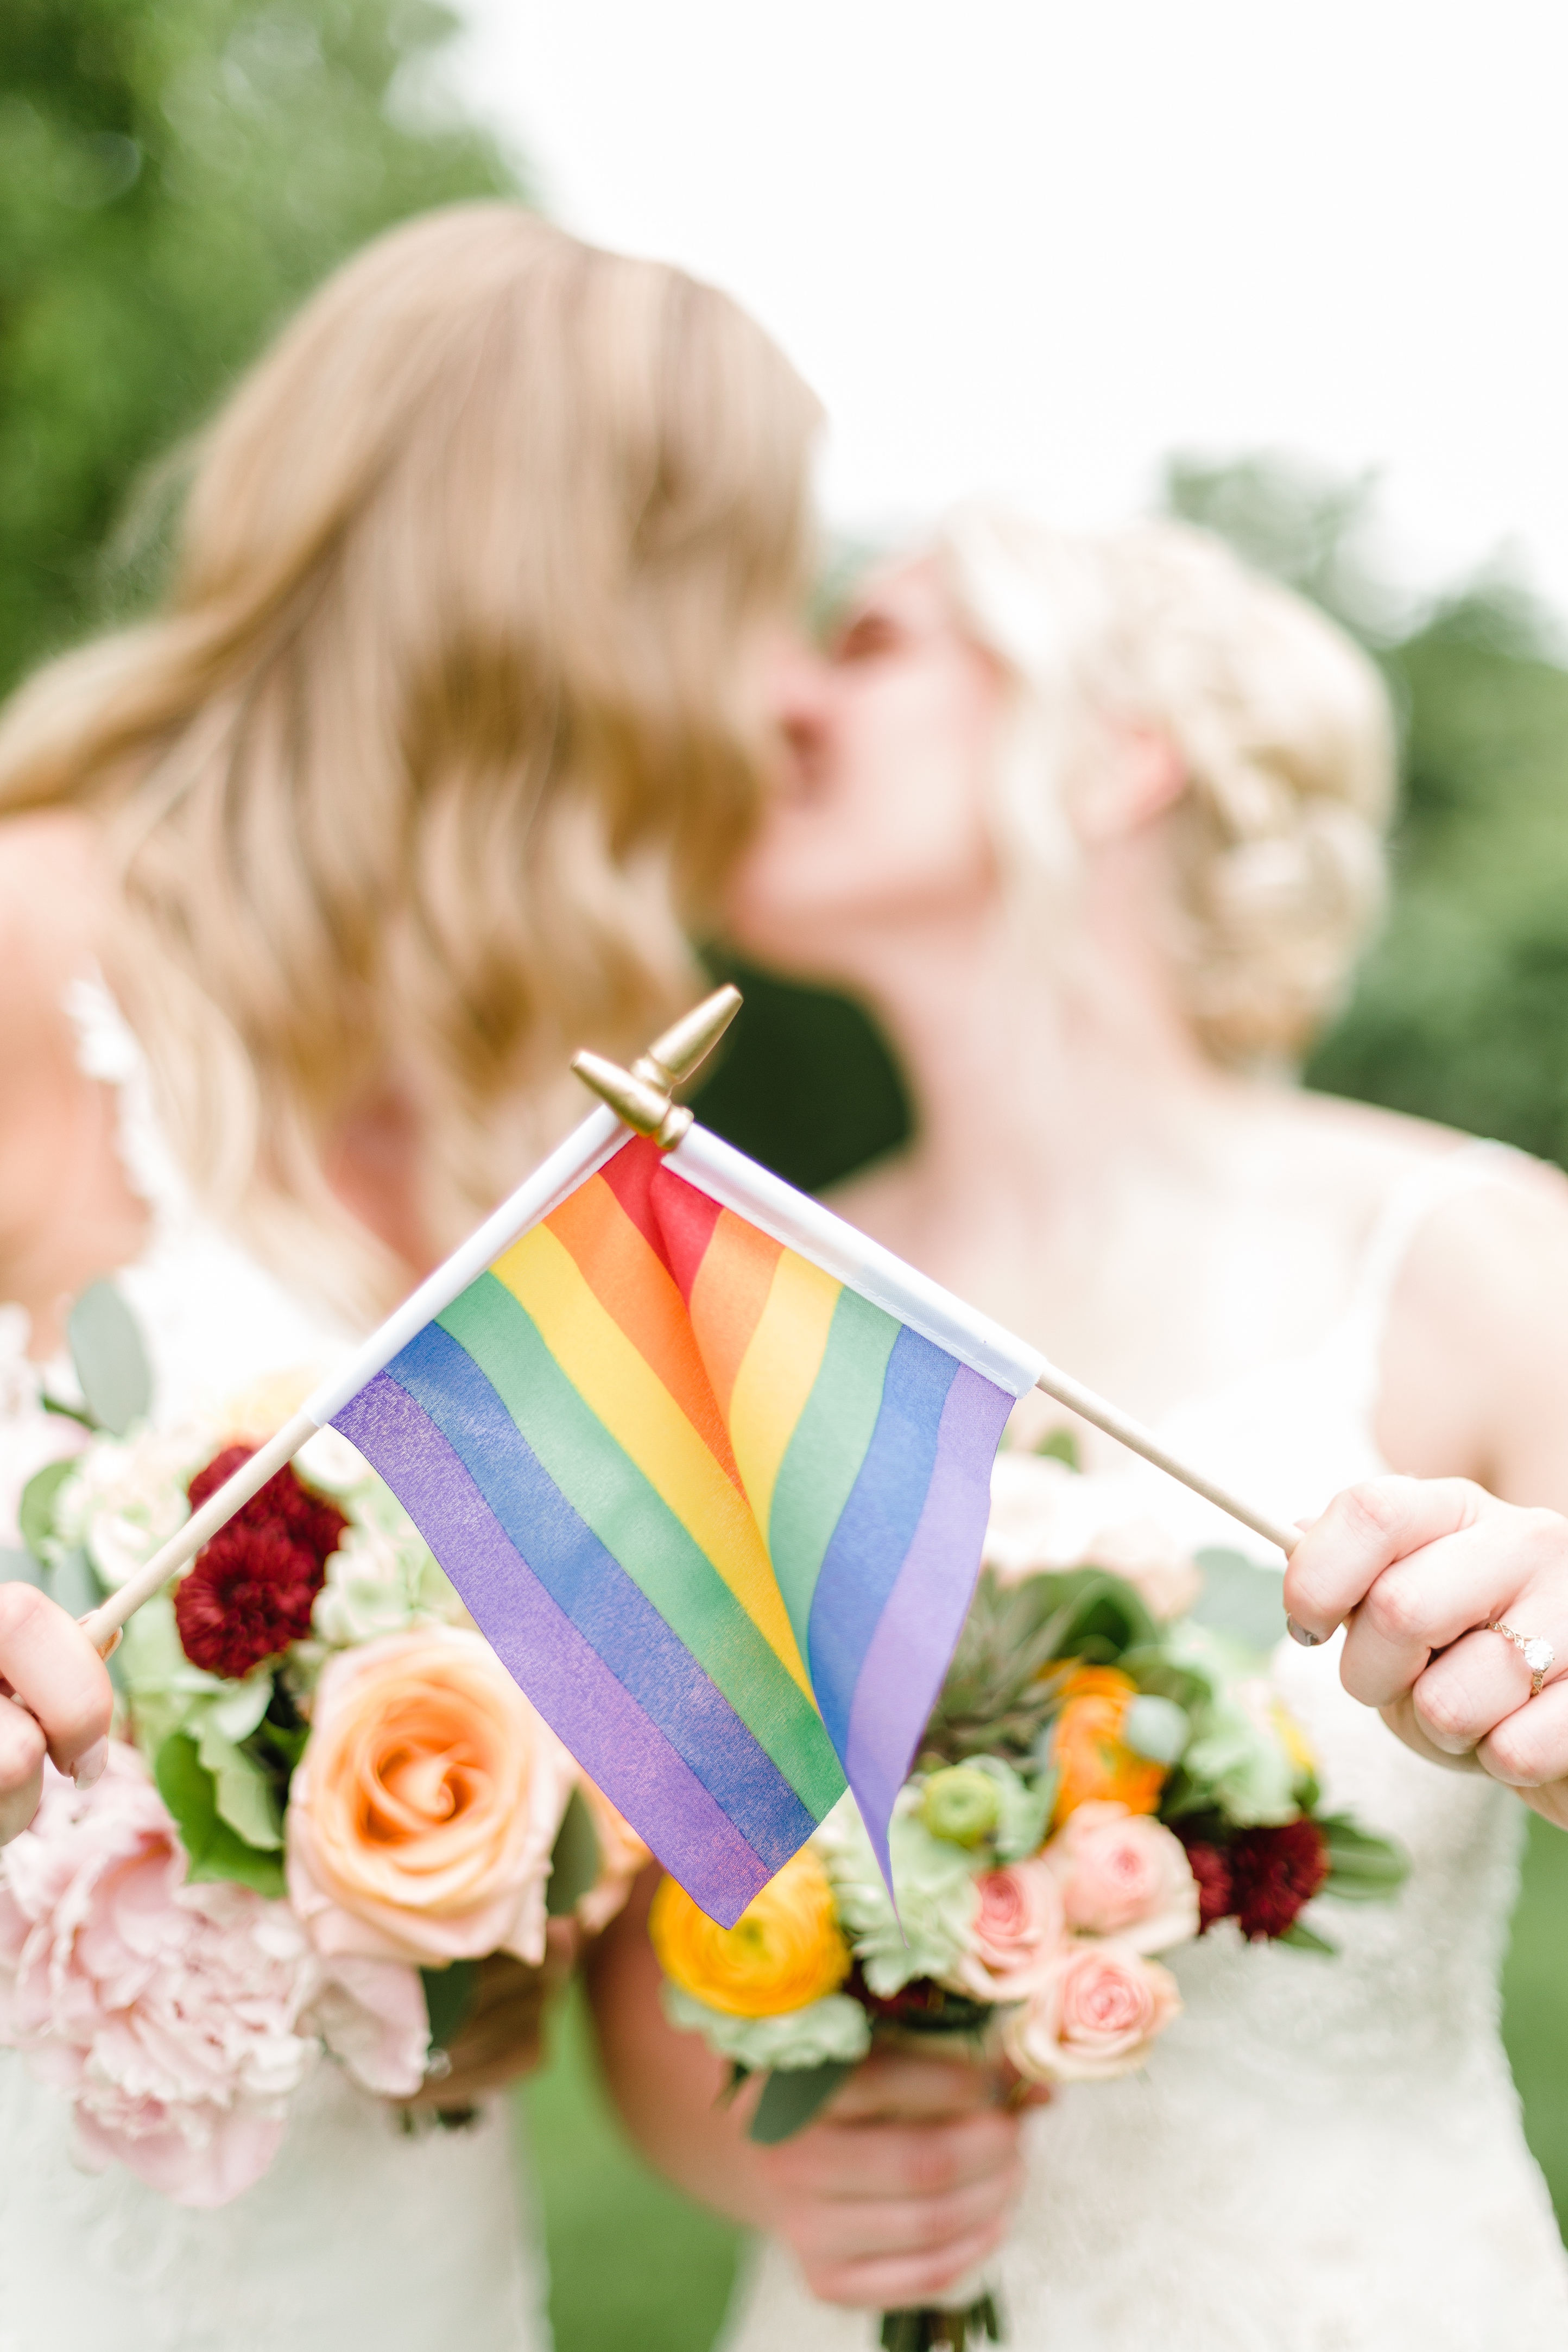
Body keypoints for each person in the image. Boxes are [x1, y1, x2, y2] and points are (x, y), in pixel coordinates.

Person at [589, 510, 1568, 2348]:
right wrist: (776, 2163)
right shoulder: (736, 1316)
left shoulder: (1481, 1257)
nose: (775, 699)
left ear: (1120, 753)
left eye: (872, 642)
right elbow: (646, 1971)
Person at [0, 201, 819, 2350]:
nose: (788, 689)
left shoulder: (567, 1139)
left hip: (409, 2278)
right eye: (760, 593)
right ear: (572, 603)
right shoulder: (27, 955)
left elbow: (604, 1953)